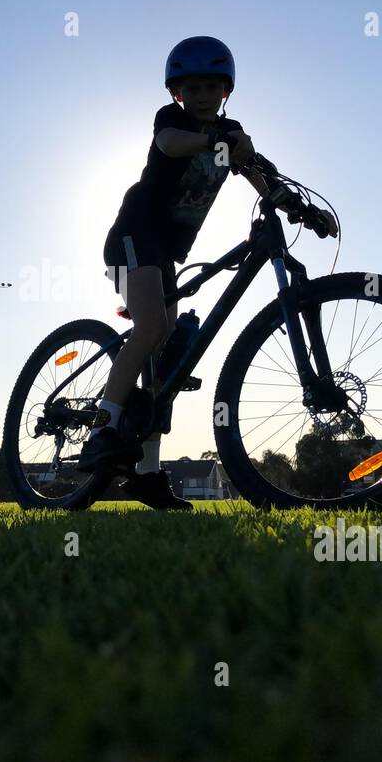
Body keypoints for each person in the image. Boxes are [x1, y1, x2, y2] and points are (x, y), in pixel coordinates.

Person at [76, 36, 284, 509]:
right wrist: (216, 141)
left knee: (165, 364)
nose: (204, 94)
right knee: (153, 327)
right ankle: (103, 429)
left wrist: (292, 203)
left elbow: (257, 171)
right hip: (135, 233)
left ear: (226, 89)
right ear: (178, 92)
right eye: (193, 87)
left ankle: (147, 475)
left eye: (213, 86)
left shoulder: (232, 134)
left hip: (166, 252)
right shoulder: (173, 121)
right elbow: (168, 144)